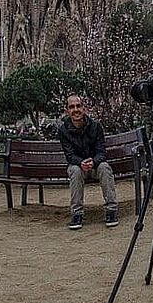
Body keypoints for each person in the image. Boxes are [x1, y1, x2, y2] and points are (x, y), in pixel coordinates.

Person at [58, 94, 118, 230]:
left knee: (104, 167)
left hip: (96, 166)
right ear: (67, 111)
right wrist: (81, 162)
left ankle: (111, 210)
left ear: (84, 108)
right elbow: (69, 155)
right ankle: (77, 213)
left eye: (78, 106)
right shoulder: (63, 130)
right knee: (74, 170)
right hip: (78, 167)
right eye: (72, 107)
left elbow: (102, 152)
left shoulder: (95, 126)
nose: (76, 109)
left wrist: (93, 162)